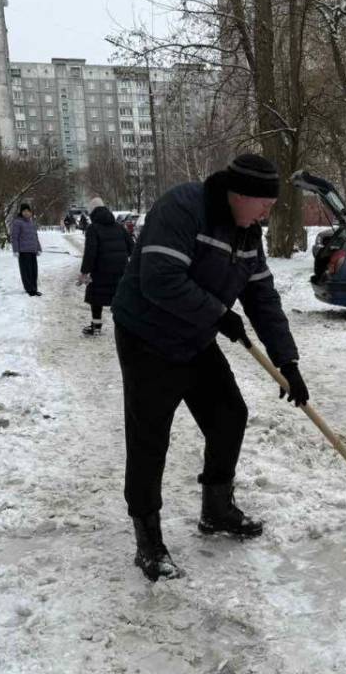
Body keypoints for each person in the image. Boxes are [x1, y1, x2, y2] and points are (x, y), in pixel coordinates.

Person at [112, 153, 309, 582]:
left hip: (195, 336)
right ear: (239, 195)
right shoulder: (184, 207)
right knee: (150, 437)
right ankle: (149, 539)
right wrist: (219, 313)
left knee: (228, 415)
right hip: (147, 336)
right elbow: (159, 278)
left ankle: (216, 509)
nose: (267, 213)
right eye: (264, 204)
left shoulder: (247, 235)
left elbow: (263, 299)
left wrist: (287, 362)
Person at [79, 197, 132, 336]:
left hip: (101, 270)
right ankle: (125, 326)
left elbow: (90, 252)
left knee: (95, 297)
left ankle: (96, 327)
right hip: (121, 269)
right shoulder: (119, 227)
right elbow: (132, 247)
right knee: (120, 298)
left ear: (92, 213)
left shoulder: (93, 228)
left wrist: (84, 272)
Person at [10, 203, 43, 296]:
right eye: (24, 211)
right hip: (23, 251)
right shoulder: (18, 222)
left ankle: (34, 288)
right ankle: (29, 289)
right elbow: (14, 237)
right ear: (21, 212)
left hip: (32, 250)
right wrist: (15, 250)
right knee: (26, 271)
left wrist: (38, 248)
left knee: (34, 271)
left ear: (30, 212)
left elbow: (35, 236)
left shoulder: (31, 222)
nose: (26, 213)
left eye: (28, 211)